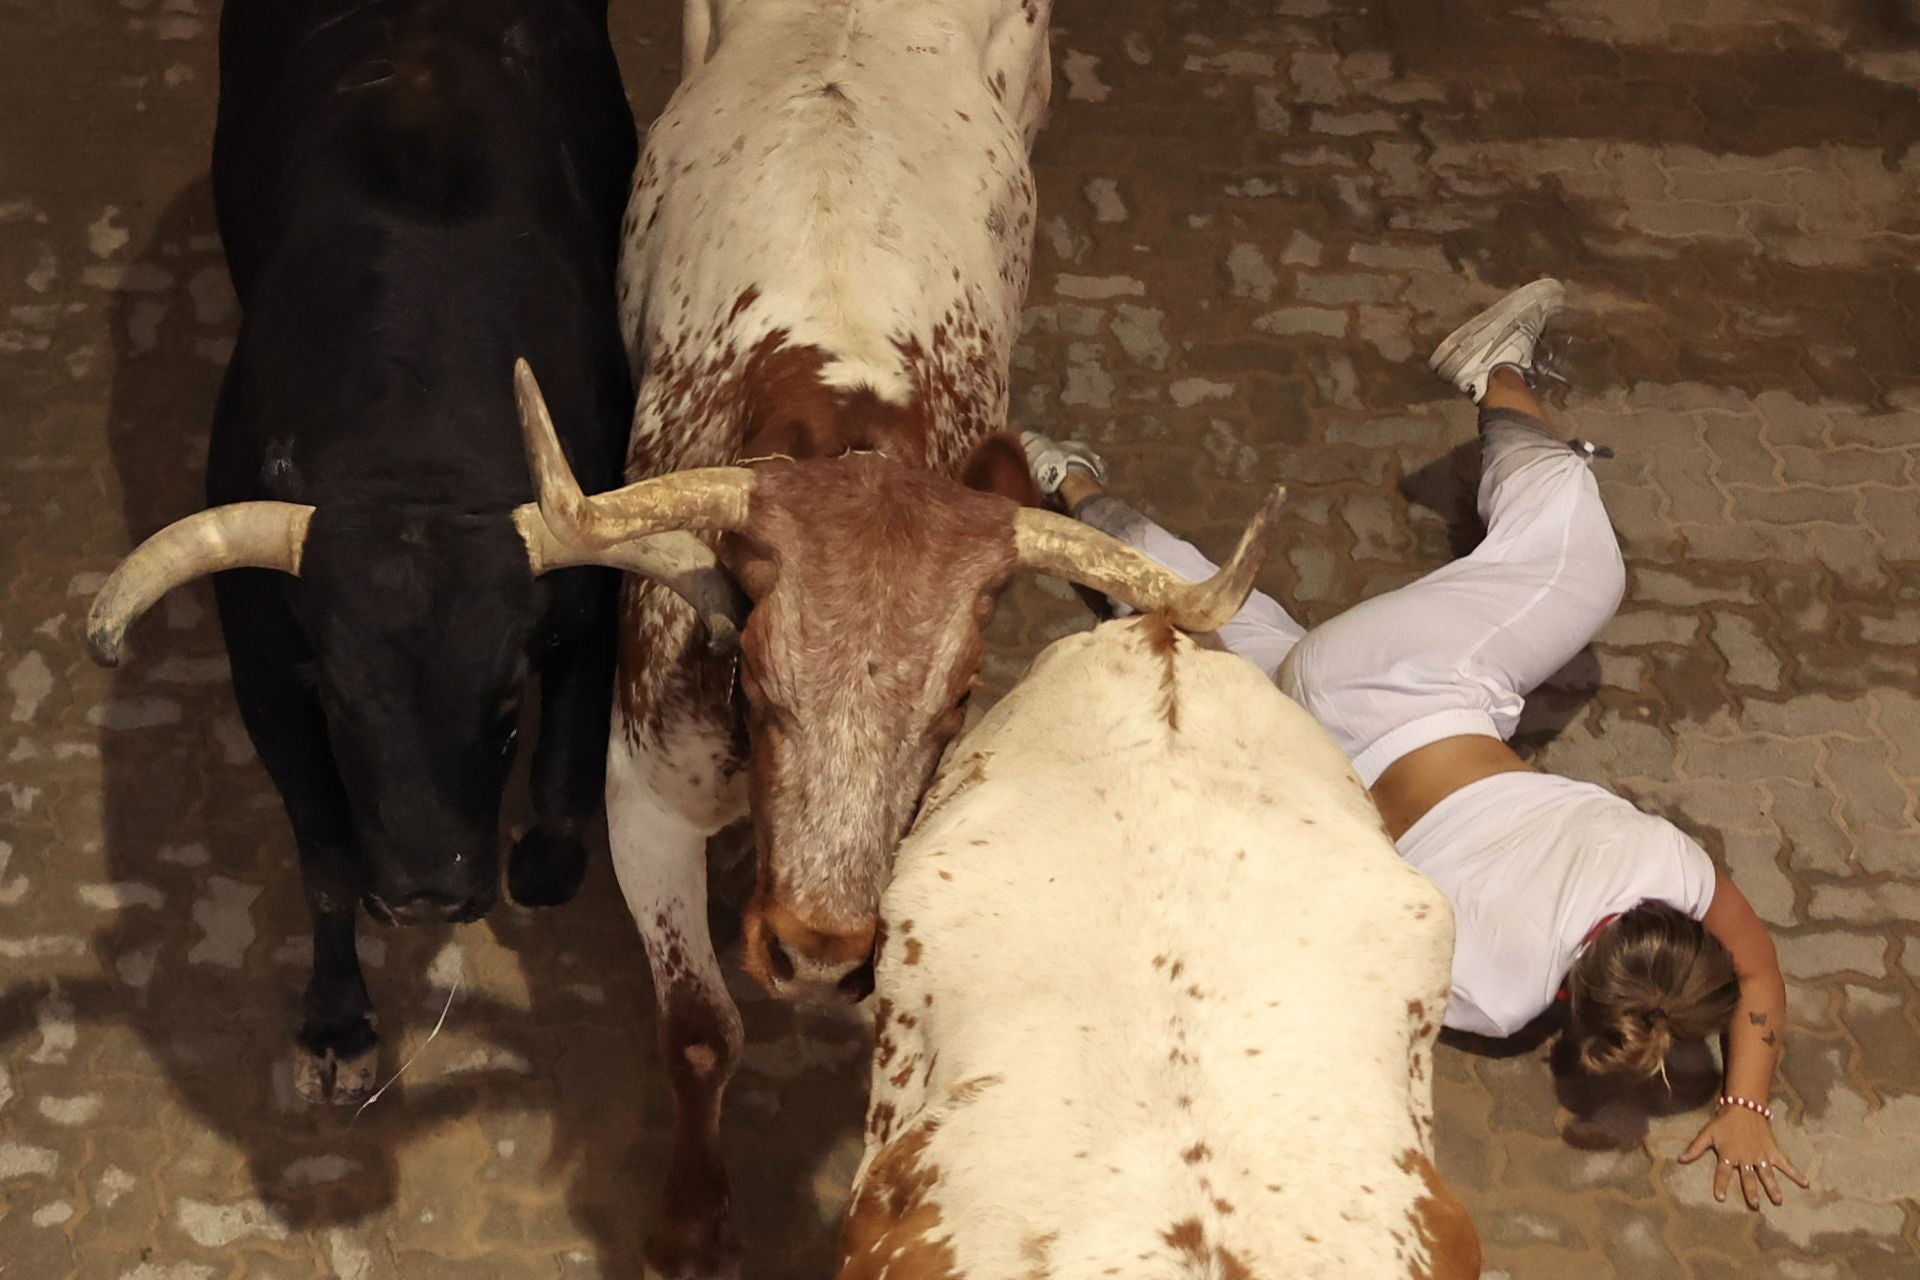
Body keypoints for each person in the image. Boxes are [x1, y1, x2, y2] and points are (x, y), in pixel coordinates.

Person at [1020, 279, 1807, 1211]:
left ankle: (1499, 373)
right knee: (1190, 608)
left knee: (1578, 565)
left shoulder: (1659, 864)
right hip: (1303, 746)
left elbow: (1756, 967)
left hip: (1399, 680)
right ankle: (1065, 478)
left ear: (1669, 927)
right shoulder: (1497, 1001)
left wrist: (1747, 1087)